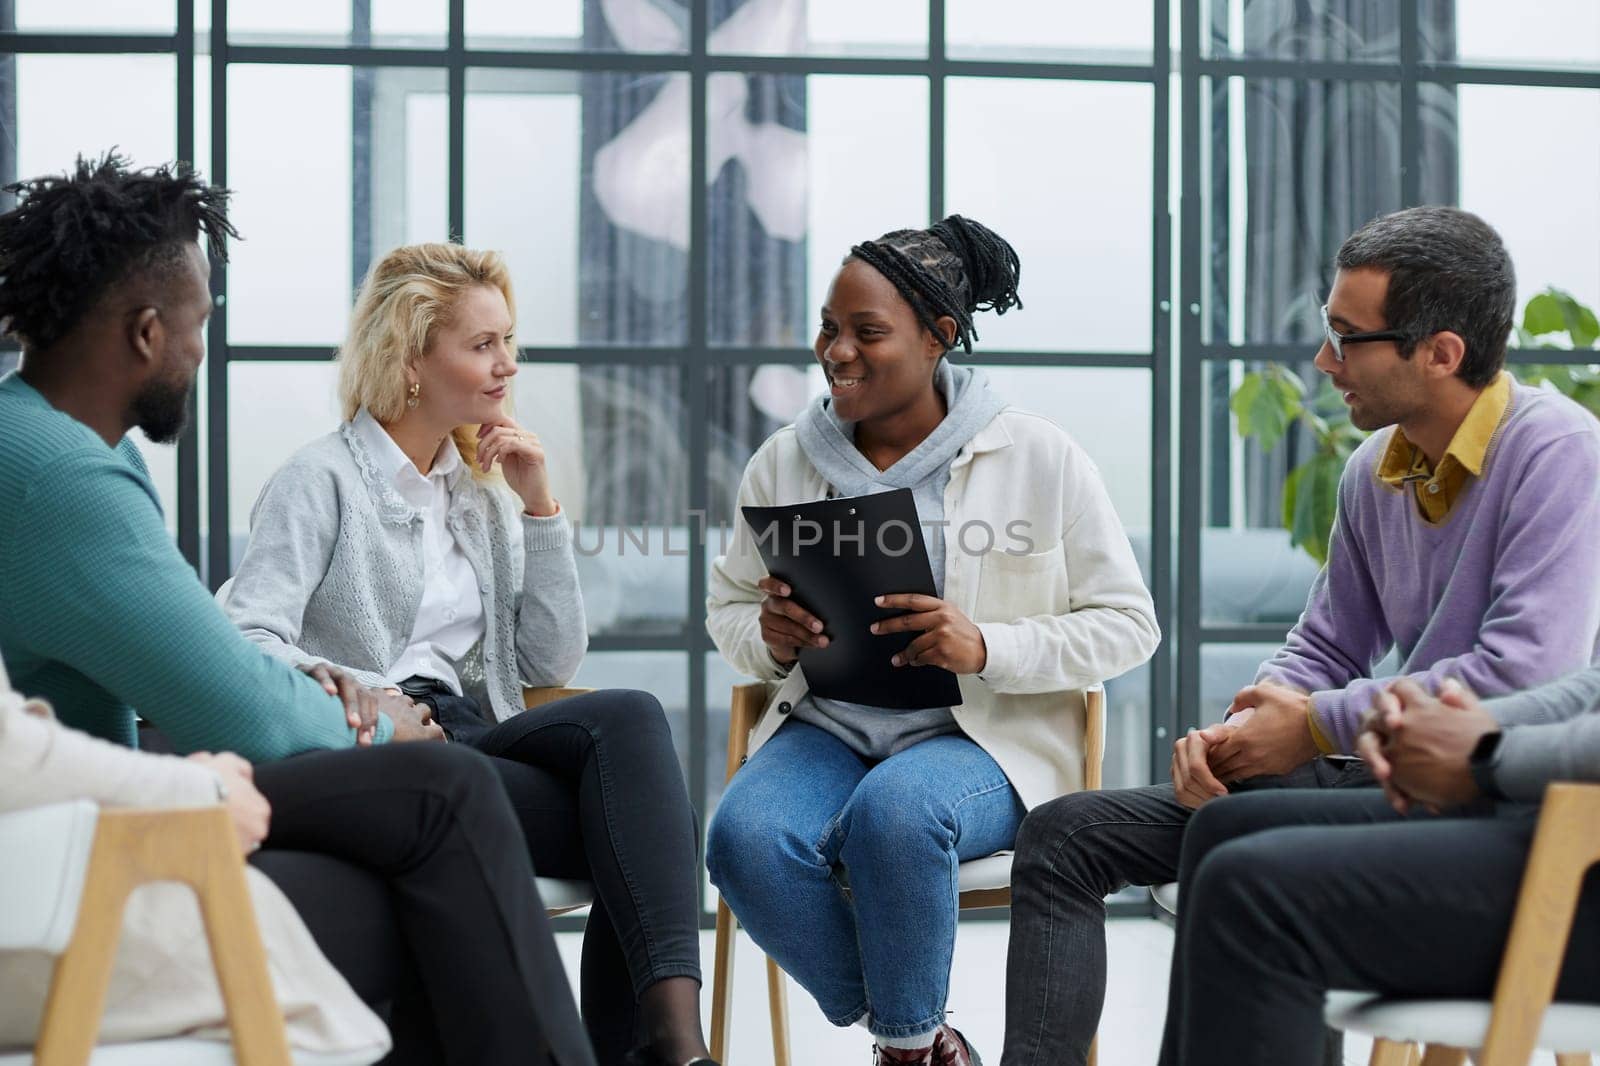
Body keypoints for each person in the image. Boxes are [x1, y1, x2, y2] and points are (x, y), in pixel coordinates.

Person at [0, 153, 594, 1066]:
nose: (203, 351)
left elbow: (203, 667)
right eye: (200, 327)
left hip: (80, 837)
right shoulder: (60, 475)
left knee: (436, 842)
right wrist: (386, 725)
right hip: (67, 881)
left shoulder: (49, 446)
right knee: (440, 807)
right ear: (149, 333)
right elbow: (230, 696)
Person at [999, 205, 1600, 1066]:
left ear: (1440, 353)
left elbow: (1524, 674)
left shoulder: (1557, 452)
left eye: (1348, 338)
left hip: (1464, 786)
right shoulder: (1373, 468)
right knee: (1063, 835)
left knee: (1239, 856)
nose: (1324, 360)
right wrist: (1244, 733)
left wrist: (1316, 722)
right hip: (1371, 761)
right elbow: (1323, 645)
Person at [222, 242, 712, 1066]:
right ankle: (658, 1052)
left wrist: (539, 505)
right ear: (410, 358)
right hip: (387, 754)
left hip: (476, 732)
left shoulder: (473, 491)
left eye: (508, 342)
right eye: (482, 345)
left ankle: (675, 1047)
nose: (507, 365)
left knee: (631, 725)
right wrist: (367, 693)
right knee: (640, 827)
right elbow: (246, 635)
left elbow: (545, 658)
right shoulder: (319, 482)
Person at [704, 215, 1160, 1066]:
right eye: (829, 329)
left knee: (897, 814)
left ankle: (903, 1050)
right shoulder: (783, 460)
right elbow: (727, 608)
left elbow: (1131, 625)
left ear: (939, 336)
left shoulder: (1039, 456)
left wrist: (986, 645)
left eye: (867, 333)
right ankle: (917, 1038)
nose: (835, 352)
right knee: (743, 840)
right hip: (830, 726)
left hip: (980, 740)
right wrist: (768, 638)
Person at [1159, 667, 1600, 1066]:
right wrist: (1440, 729)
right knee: (1225, 826)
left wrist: (1490, 752)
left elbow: (1526, 657)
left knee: (1253, 895)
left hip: (1579, 846)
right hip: (1552, 806)